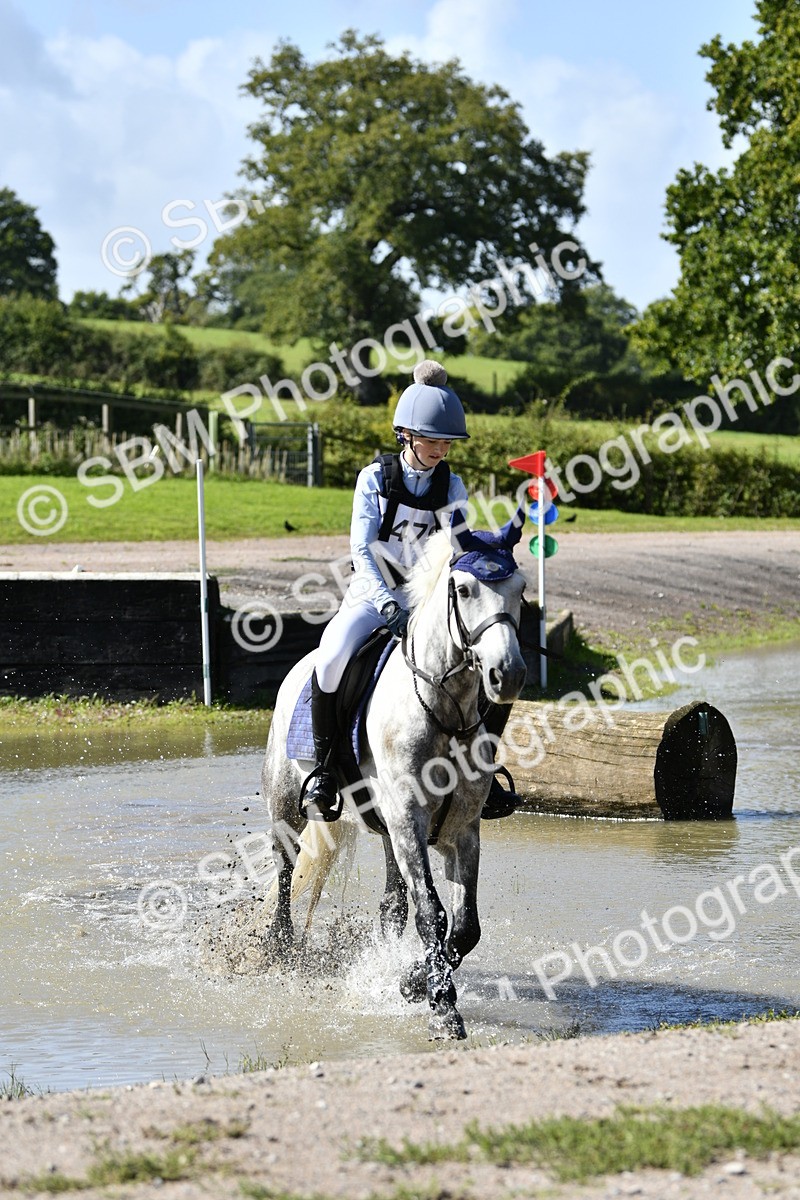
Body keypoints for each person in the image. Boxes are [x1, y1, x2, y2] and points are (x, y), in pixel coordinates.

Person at [301, 359, 521, 822]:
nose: (443, 448)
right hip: (371, 592)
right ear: (407, 435)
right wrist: (383, 600)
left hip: (423, 602)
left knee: (484, 660)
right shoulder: (375, 479)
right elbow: (362, 547)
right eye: (434, 439)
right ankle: (323, 770)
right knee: (333, 655)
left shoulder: (452, 484)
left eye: (448, 441)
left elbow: (459, 547)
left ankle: (483, 766)